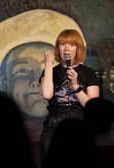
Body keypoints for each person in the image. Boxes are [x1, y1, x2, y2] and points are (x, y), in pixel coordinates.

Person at [39, 29, 100, 158]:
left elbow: (93, 107)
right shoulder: (51, 71)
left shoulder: (88, 73)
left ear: (78, 49)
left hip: (80, 124)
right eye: (62, 44)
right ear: (58, 48)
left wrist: (75, 85)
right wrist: (48, 65)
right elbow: (47, 94)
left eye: (71, 44)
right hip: (54, 125)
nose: (66, 48)